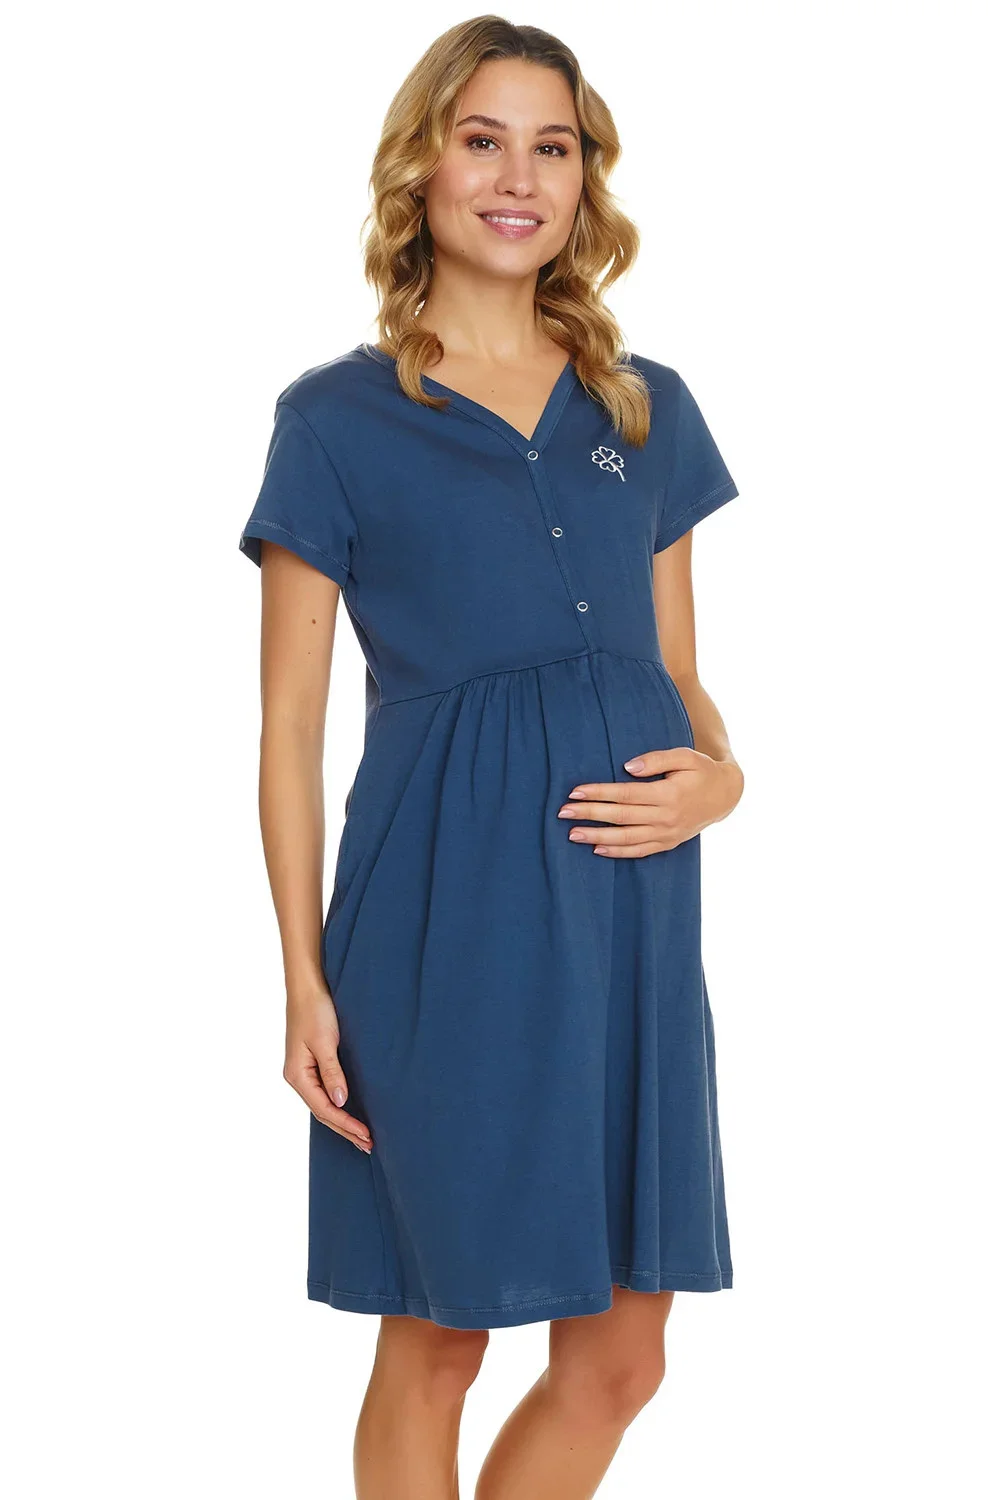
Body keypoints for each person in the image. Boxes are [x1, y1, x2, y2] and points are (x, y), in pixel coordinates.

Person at [239, 17, 745, 1499]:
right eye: (483, 141)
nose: (520, 178)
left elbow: (682, 680)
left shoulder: (645, 406)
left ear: (587, 180)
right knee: (439, 1338)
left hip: (634, 918)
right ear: (423, 166)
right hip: (443, 919)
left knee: (623, 1354)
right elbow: (288, 727)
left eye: (554, 146)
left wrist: (724, 776)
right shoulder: (334, 420)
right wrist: (301, 975)